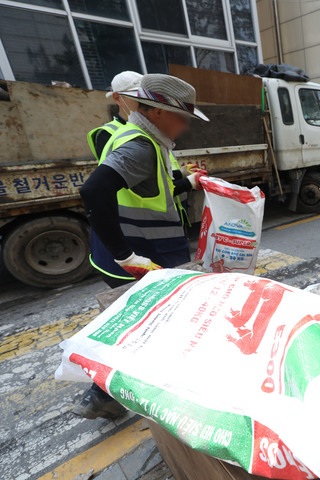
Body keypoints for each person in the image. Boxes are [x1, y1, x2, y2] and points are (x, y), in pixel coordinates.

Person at [73, 74, 209, 420]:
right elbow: (93, 192)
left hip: (134, 253)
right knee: (147, 327)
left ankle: (103, 395)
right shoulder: (141, 145)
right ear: (159, 113)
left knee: (142, 324)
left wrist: (188, 182)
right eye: (183, 118)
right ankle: (101, 394)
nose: (185, 126)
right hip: (136, 256)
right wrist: (126, 255)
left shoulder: (148, 139)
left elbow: (152, 189)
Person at [88, 71, 142, 160]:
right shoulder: (107, 134)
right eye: (137, 97)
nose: (145, 102)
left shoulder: (155, 127)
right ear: (117, 98)